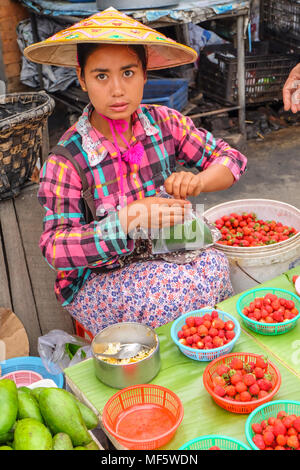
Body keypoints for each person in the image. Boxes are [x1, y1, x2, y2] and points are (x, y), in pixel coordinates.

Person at [25, 8, 247, 335]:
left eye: (128, 73)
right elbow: (55, 248)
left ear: (144, 74)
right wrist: (127, 220)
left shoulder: (164, 123)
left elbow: (231, 160)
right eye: (102, 76)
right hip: (99, 277)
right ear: (82, 78)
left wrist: (198, 181)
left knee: (216, 265)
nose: (117, 90)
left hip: (163, 251)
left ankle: (205, 353)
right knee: (173, 296)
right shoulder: (66, 160)